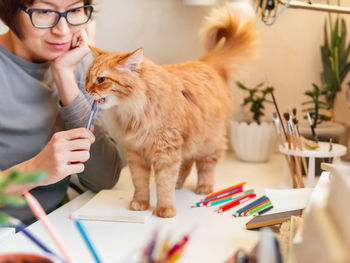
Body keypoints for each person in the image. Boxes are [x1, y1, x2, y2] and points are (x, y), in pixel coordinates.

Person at [0, 0, 124, 225]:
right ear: (9, 12)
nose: (63, 30)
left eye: (75, 10)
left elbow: (104, 179)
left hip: (55, 226)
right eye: (45, 12)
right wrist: (35, 169)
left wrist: (65, 75)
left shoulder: (73, 61)